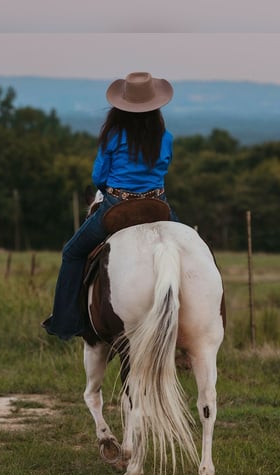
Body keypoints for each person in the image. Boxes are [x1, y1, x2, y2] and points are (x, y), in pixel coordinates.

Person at [42, 72, 179, 340]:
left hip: (117, 206)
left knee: (72, 252)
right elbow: (164, 168)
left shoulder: (113, 136)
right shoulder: (166, 137)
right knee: (193, 247)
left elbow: (98, 178)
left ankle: (66, 321)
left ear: (122, 106)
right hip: (158, 205)